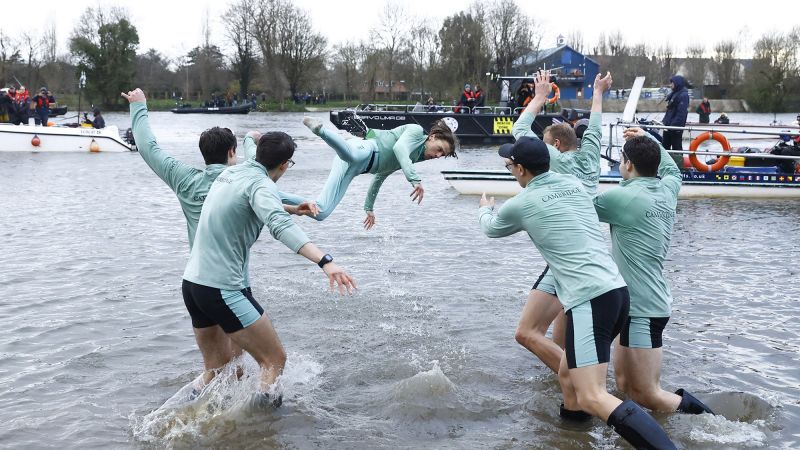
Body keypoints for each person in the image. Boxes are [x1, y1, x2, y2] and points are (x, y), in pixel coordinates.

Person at [478, 137, 675, 449]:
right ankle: (572, 439)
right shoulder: (573, 185)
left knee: (592, 395)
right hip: (616, 292)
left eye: (509, 166)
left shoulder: (522, 202)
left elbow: (491, 228)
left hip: (589, 299)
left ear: (519, 169)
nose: (509, 170)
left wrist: (485, 209)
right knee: (569, 378)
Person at [122, 88, 320, 393]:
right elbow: (261, 198)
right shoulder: (239, 178)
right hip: (229, 282)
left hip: (196, 280)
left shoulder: (184, 178)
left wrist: (139, 107)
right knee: (255, 361)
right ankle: (253, 423)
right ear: (231, 153)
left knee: (218, 369)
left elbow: (148, 147)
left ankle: (195, 417)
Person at [182, 130, 356, 407]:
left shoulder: (232, 173)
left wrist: (292, 208)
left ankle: (178, 413)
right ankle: (261, 429)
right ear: (285, 164)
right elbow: (279, 226)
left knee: (216, 372)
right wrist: (326, 262)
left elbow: (252, 201)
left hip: (193, 285)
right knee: (274, 360)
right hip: (222, 288)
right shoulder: (262, 186)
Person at [594, 127, 715, 416]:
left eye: (621, 158)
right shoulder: (667, 189)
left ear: (628, 164)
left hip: (644, 309)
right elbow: (673, 170)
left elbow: (577, 209)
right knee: (624, 384)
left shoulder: (622, 198)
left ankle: (715, 425)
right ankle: (647, 435)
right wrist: (649, 139)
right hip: (634, 305)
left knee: (649, 392)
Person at [510, 69, 609, 374]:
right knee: (563, 339)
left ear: (555, 145)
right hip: (592, 247)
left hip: (566, 254)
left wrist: (539, 96)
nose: (541, 146)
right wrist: (598, 94)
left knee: (533, 333)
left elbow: (519, 127)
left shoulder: (553, 160)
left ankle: (580, 381)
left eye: (544, 142)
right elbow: (594, 126)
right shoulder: (591, 156)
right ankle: (568, 388)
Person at [296, 117, 458, 227]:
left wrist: (369, 208)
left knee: (321, 212)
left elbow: (381, 175)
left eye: (441, 155)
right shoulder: (415, 131)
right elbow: (399, 148)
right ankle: (320, 129)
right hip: (367, 149)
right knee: (351, 155)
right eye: (439, 149)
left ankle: (277, 198)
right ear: (432, 137)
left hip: (355, 168)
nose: (437, 155)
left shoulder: (413, 158)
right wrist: (414, 180)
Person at [662, 75, 689, 167]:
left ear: (677, 83)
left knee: (677, 147)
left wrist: (673, 126)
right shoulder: (674, 93)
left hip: (674, 127)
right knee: (665, 147)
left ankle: (678, 168)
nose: (670, 85)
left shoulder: (683, 95)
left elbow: (681, 113)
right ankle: (664, 166)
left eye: (672, 83)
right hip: (668, 126)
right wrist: (665, 123)